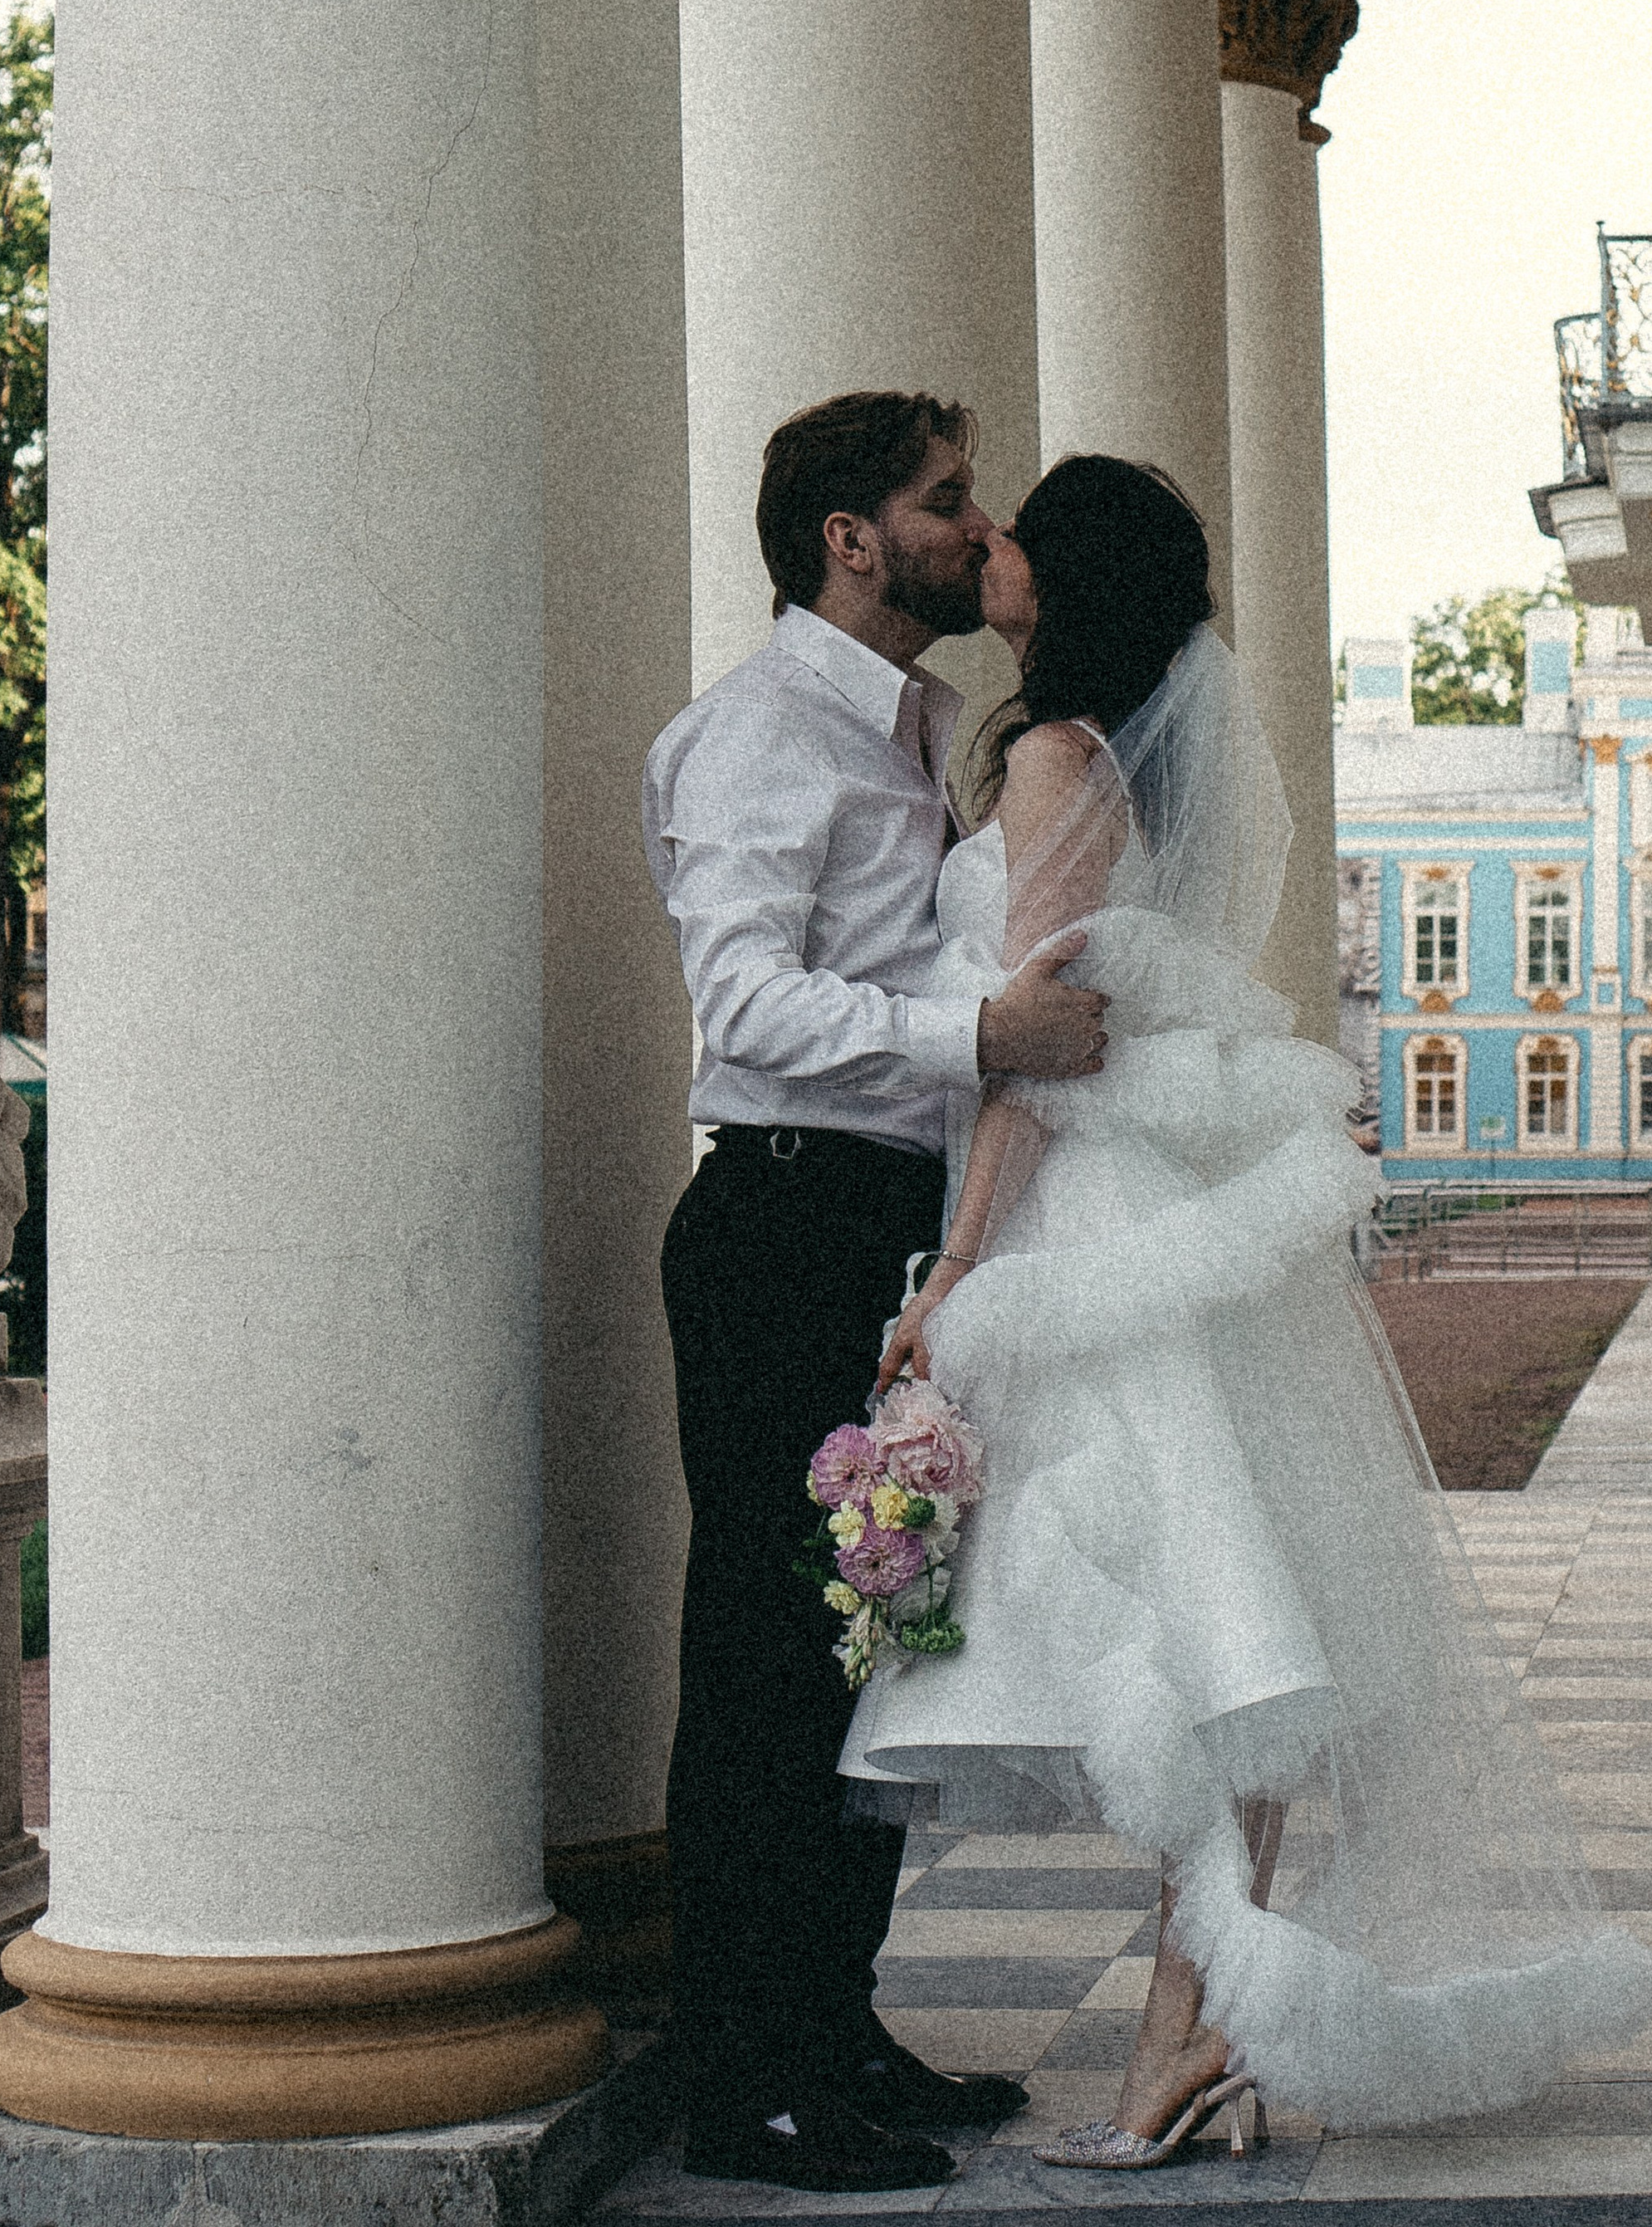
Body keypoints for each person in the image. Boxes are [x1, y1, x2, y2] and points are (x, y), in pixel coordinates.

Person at [843, 455, 1652, 2161]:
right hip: (1155, 1212)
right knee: (1224, 1625)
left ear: (1057, 586)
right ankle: (1196, 2022)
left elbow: (1041, 1043)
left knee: (1206, 1625)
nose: (983, 547)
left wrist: (955, 1273)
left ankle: (1188, 2025)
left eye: (1008, 539)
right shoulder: (1105, 754)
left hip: (1088, 1220)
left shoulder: (1058, 760)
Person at [642, 392, 1112, 2195]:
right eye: (941, 501)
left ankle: (827, 2028)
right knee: (763, 1667)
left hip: (874, 1228)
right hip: (776, 1226)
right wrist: (975, 1032)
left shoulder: (900, 727)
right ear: (846, 536)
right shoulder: (759, 735)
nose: (968, 524)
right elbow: (743, 1008)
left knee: (863, 1645)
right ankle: (742, 2087)